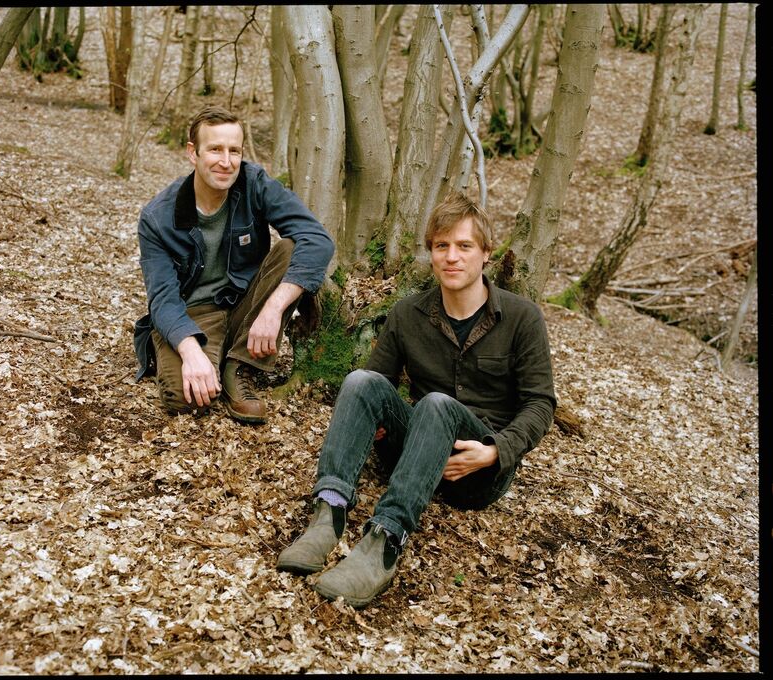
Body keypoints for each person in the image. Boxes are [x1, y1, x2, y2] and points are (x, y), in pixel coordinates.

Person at [276, 191, 556, 608]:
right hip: (416, 454)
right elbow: (377, 385)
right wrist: (376, 426)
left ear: (486, 254)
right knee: (359, 380)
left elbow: (540, 403)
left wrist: (495, 452)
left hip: (476, 471)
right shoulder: (409, 313)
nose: (452, 257)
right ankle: (327, 515)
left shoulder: (521, 317)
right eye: (442, 246)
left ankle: (384, 543)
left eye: (464, 246)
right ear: (431, 253)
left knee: (438, 404)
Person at [133, 105, 334, 424]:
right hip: (194, 315)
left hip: (245, 302)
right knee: (184, 399)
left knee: (291, 247)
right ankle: (196, 351)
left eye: (234, 151)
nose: (226, 162)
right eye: (215, 149)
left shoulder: (254, 183)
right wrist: (190, 352)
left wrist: (273, 309)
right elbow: (163, 299)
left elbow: (317, 238)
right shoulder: (158, 217)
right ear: (193, 153)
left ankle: (237, 368)